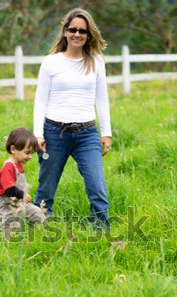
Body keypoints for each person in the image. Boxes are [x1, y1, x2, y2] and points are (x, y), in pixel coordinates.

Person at [33, 7, 112, 229]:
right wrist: (38, 134)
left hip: (86, 134)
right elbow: (40, 100)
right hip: (54, 133)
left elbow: (102, 99)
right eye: (73, 29)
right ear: (65, 31)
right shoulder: (51, 62)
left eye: (82, 31)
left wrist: (106, 132)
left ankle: (101, 231)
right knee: (46, 188)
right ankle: (40, 227)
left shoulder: (96, 61)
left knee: (97, 185)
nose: (77, 34)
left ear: (89, 35)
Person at [0, 127, 46, 236]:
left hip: (20, 203)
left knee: (37, 213)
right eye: (27, 153)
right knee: (11, 231)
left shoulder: (18, 164)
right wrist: (22, 194)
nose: (30, 157)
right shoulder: (8, 167)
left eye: (32, 153)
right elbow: (9, 189)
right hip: (7, 207)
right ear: (13, 149)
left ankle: (37, 234)